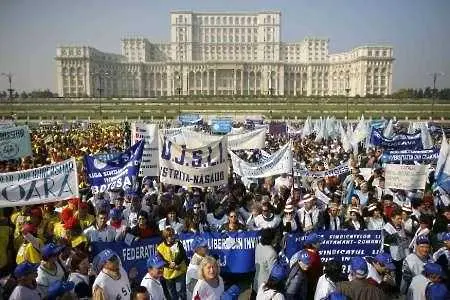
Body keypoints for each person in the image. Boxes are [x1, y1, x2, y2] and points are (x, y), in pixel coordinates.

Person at [156, 227, 187, 300]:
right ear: (166, 237)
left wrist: (175, 263)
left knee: (181, 293)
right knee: (172, 295)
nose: (172, 237)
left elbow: (182, 254)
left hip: (179, 272)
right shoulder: (160, 247)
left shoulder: (177, 243)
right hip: (168, 275)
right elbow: (160, 260)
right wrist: (170, 265)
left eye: (173, 235)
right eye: (170, 235)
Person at [382, 208, 409, 286]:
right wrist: (396, 235)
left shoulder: (401, 226)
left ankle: (397, 289)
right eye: (398, 219)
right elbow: (386, 243)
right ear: (392, 218)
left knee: (399, 274)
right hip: (391, 256)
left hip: (400, 255)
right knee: (390, 275)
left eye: (401, 218)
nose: (400, 220)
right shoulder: (387, 228)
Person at [253, 228, 277, 296]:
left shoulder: (258, 245)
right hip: (265, 288)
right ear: (271, 239)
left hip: (256, 284)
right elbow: (273, 274)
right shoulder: (272, 253)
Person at [303, 233, 323, 299]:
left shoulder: (313, 252)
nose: (320, 243)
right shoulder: (311, 258)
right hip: (311, 287)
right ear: (313, 244)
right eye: (319, 242)